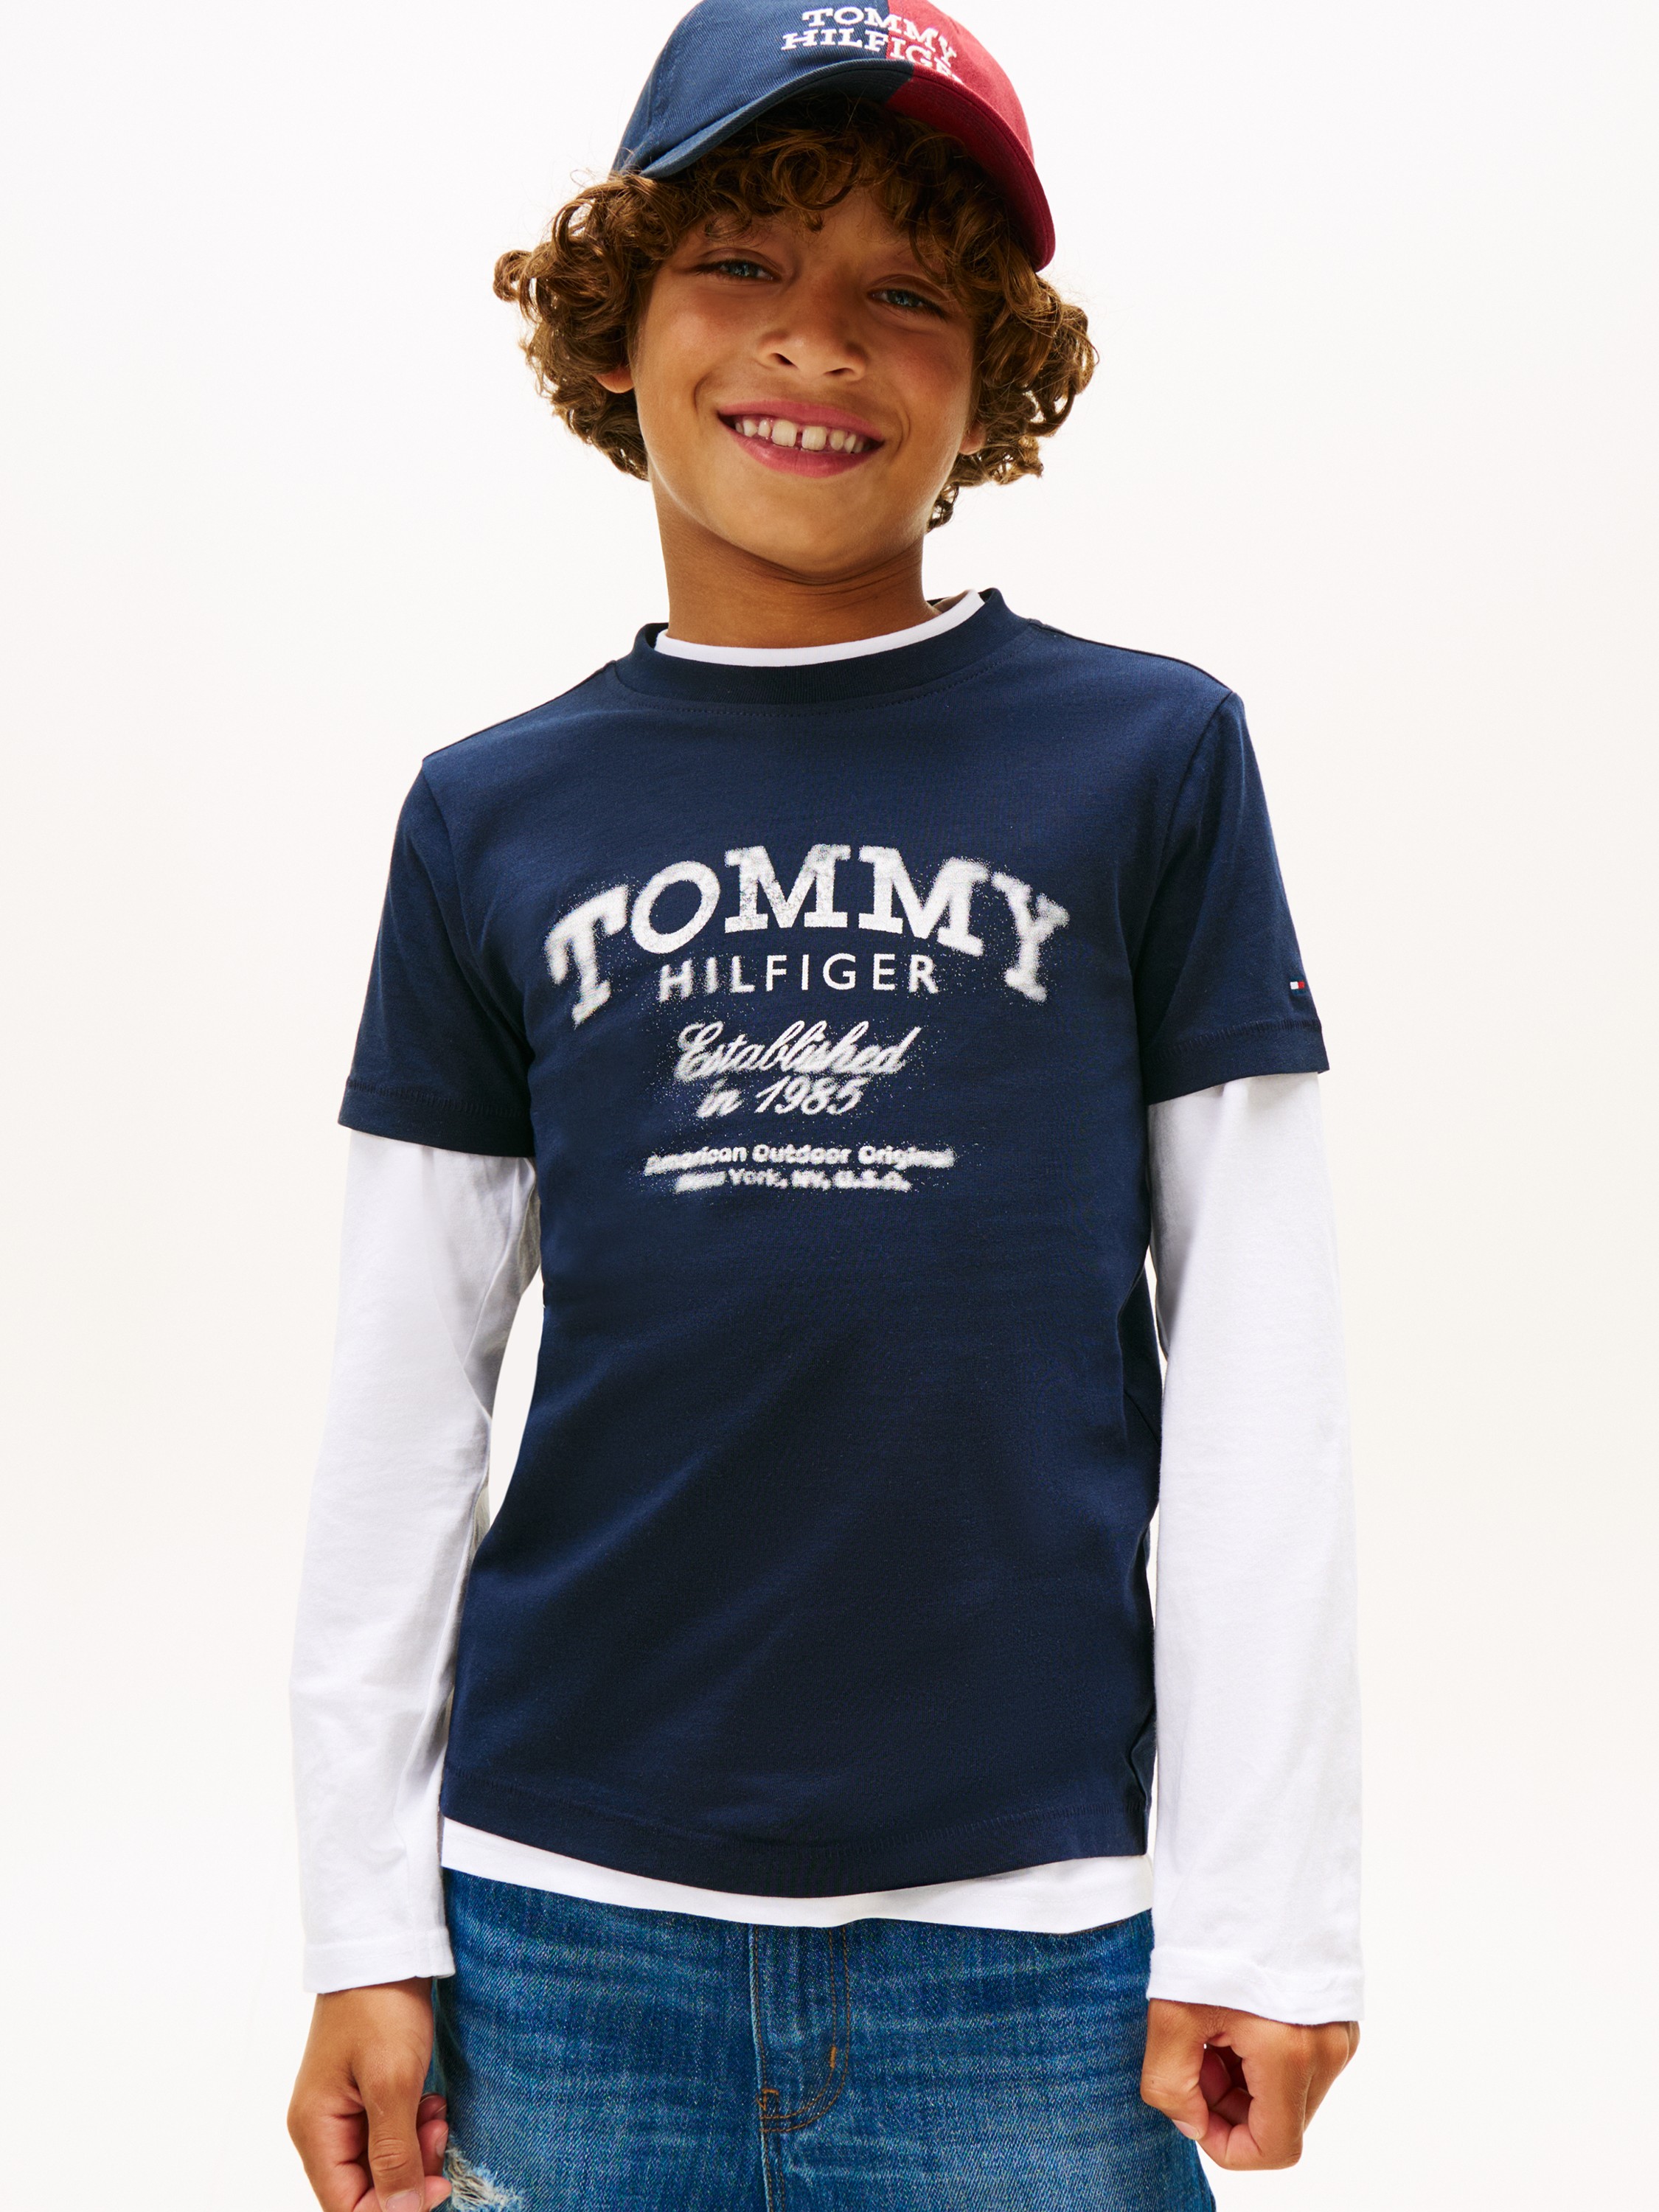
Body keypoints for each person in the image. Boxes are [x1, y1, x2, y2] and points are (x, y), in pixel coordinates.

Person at [285, 4, 1362, 2206]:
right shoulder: (488, 813)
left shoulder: (1148, 763)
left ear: (991, 380)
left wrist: (1267, 1920)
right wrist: (361, 1927)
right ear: (615, 333)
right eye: (742, 265)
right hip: (560, 1923)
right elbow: (403, 1404)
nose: (819, 342)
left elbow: (1264, 1369)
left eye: (908, 291)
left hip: (1040, 1943)